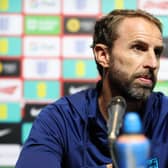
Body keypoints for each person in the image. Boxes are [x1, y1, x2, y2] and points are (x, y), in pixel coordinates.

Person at [15, 9, 168, 168]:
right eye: (138, 48)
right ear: (103, 56)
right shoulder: (60, 119)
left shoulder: (165, 115)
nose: (153, 63)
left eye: (156, 52)